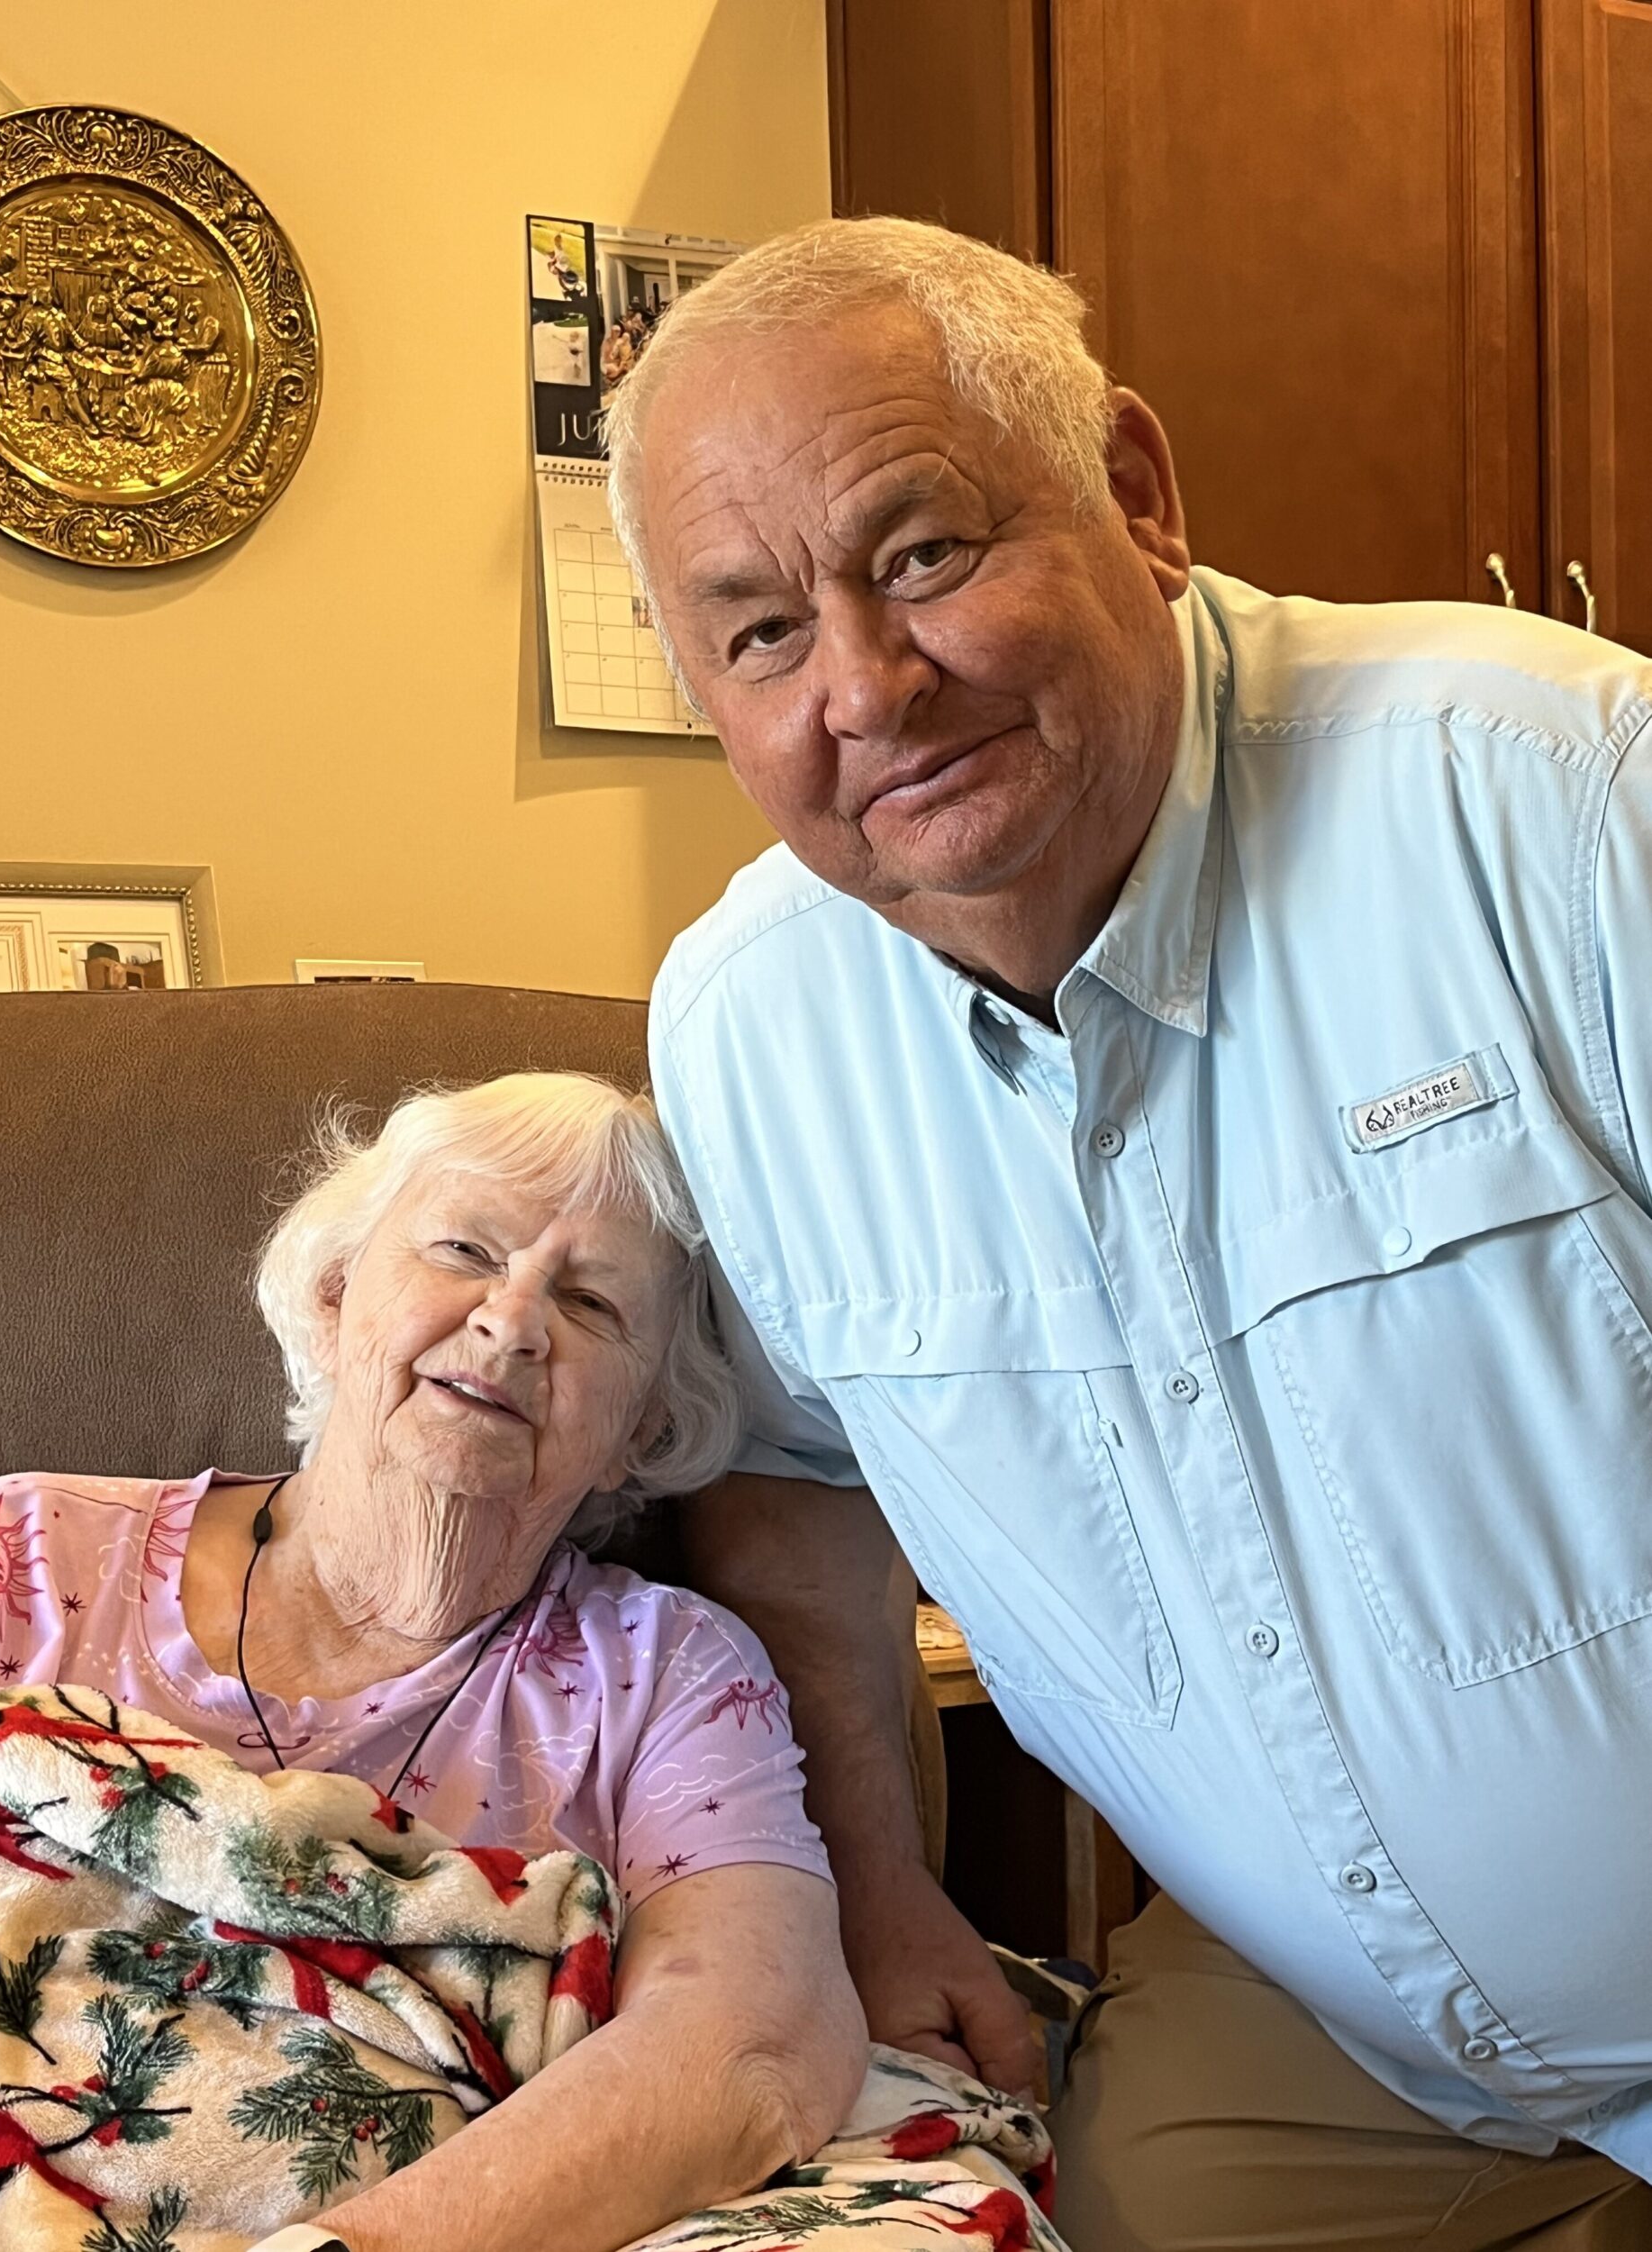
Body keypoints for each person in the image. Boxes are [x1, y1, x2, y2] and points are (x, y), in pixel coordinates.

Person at [606, 215, 1652, 2248]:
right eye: (762, 635)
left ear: (1137, 494)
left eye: (924, 552)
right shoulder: (744, 1028)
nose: (867, 687)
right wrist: (878, 1881)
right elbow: (794, 1471)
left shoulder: (1552, 794)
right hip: (1344, 2032)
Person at [0, 1072, 867, 2252]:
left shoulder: (668, 1676)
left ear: (642, 1428)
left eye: (592, 1303)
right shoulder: (18, 1552)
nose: (514, 1321)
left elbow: (753, 2039)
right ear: (334, 1297)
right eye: (464, 1251)